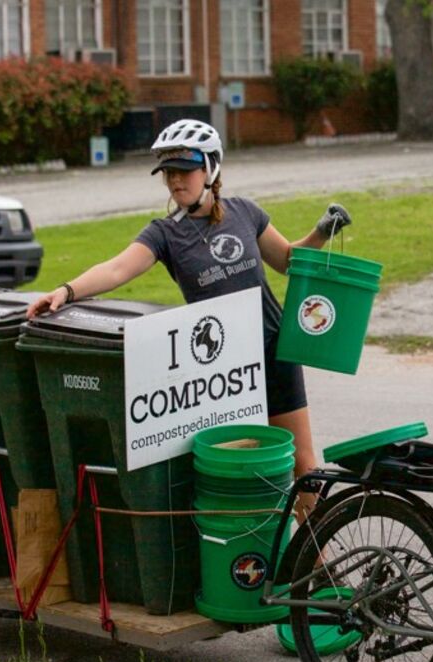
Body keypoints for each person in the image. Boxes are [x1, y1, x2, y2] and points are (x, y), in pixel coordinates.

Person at [27, 119, 350, 518]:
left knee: (303, 463)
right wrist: (67, 290)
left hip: (274, 350)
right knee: (244, 474)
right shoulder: (164, 234)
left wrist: (321, 231)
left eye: (184, 170)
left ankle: (317, 562)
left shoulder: (245, 212)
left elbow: (287, 260)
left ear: (210, 168)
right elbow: (116, 269)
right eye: (168, 173)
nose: (175, 181)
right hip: (223, 370)